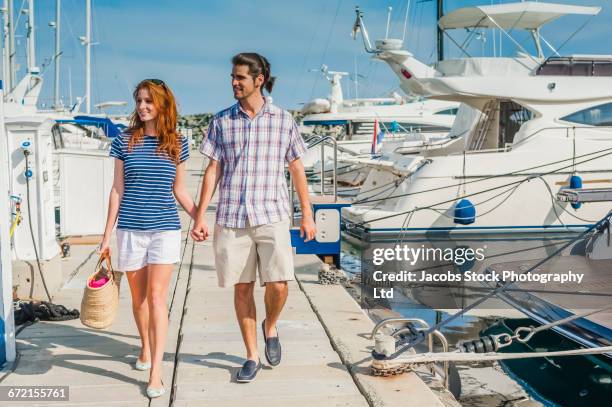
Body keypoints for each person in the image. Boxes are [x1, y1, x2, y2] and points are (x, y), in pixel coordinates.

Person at [191, 52, 316, 383]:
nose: (233, 82)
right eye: (232, 77)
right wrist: (200, 215)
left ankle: (270, 325)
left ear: (258, 80)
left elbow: (296, 168)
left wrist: (307, 214)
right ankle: (251, 355)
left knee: (279, 283)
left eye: (240, 77)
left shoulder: (283, 120)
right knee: (242, 288)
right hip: (232, 215)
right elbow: (212, 169)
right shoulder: (221, 121)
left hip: (272, 213)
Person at [99, 79, 195, 398]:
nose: (142, 107)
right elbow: (117, 190)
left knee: (157, 297)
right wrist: (105, 237)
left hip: (165, 229)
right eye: (139, 101)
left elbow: (179, 190)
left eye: (149, 101)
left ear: (163, 105)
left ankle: (156, 370)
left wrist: (199, 216)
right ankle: (145, 345)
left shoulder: (177, 143)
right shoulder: (124, 141)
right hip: (129, 229)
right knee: (138, 300)